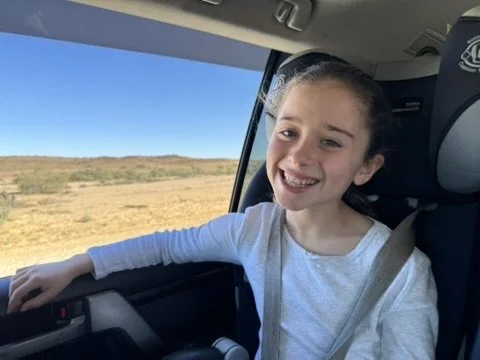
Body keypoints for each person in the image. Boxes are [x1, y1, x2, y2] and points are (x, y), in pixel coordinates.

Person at [7, 61, 438, 359]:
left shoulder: (400, 271)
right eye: (288, 131)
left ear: (366, 167)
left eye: (330, 141)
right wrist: (74, 264)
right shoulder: (254, 228)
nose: (298, 156)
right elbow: (168, 246)